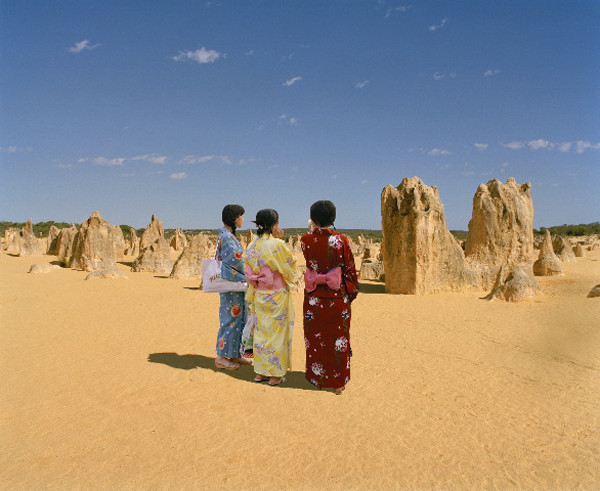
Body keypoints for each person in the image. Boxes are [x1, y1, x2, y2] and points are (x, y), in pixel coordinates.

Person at [301, 200, 359, 394]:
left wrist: (313, 229)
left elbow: (310, 249)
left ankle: (316, 378)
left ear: (313, 218)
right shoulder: (341, 240)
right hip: (336, 298)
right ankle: (338, 383)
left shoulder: (305, 240)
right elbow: (349, 269)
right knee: (337, 339)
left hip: (313, 297)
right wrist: (350, 293)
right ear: (333, 218)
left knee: (315, 339)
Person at [244, 209, 296, 386]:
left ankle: (260, 372)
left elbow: (248, 266)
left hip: (259, 293)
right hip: (276, 295)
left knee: (261, 331)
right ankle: (275, 375)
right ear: (275, 225)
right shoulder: (277, 245)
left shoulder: (251, 246)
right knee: (277, 334)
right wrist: (280, 239)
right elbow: (290, 263)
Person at [215, 204, 251, 371]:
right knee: (230, 320)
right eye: (241, 216)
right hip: (232, 285)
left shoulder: (226, 235)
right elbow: (237, 260)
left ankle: (235, 354)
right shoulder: (228, 238)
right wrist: (252, 271)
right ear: (234, 218)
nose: (242, 219)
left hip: (233, 285)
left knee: (237, 320)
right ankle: (221, 357)